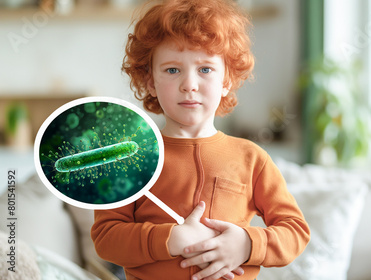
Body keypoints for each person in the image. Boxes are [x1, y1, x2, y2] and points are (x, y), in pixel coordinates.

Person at [91, 0, 310, 279]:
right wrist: (169, 239)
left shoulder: (252, 158)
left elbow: (295, 231)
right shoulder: (129, 158)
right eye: (172, 70)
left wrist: (247, 244)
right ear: (149, 81)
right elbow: (106, 237)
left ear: (226, 80)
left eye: (205, 69)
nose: (189, 84)